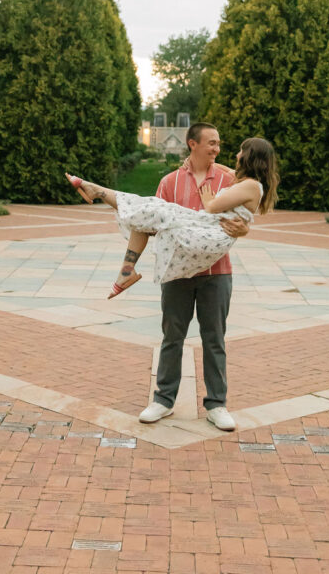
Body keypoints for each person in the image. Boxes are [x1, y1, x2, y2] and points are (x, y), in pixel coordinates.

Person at [66, 129, 279, 431]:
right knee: (172, 337)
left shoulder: (229, 179)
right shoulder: (170, 181)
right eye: (212, 143)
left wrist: (245, 228)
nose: (219, 149)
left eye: (221, 144)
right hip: (178, 270)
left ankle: (217, 405)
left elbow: (249, 204)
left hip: (215, 272)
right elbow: (148, 223)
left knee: (214, 339)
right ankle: (163, 400)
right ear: (193, 144)